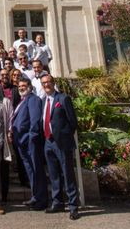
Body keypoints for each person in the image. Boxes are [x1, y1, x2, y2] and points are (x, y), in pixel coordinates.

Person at [41, 73, 80, 220]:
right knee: (53, 175)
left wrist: (64, 137)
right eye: (44, 83)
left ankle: (73, 206)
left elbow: (73, 122)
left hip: (62, 143)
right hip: (48, 142)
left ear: (53, 82)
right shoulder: (44, 100)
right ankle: (57, 202)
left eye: (48, 82)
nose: (46, 85)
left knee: (67, 174)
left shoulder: (63, 99)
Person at [10, 78, 47, 210]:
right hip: (21, 143)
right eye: (19, 86)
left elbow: (35, 121)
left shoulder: (33, 99)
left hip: (30, 142)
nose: (21, 87)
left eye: (24, 85)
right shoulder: (22, 101)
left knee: (36, 170)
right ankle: (35, 196)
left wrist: (31, 139)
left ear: (30, 87)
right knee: (30, 171)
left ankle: (41, 200)